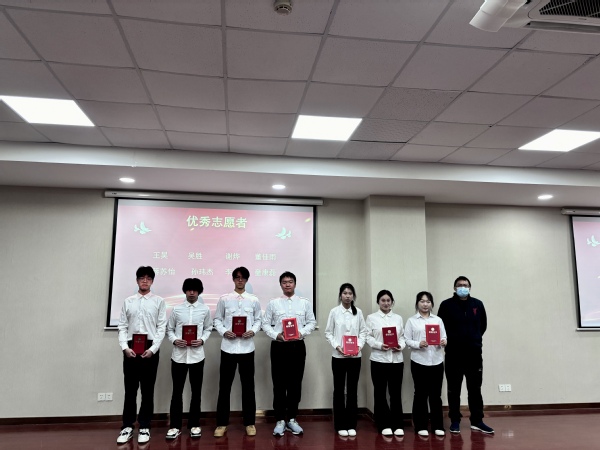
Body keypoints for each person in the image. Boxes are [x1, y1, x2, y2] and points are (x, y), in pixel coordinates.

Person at [262, 271, 317, 437]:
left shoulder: (304, 303)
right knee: (279, 384)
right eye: (284, 282)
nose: (287, 284)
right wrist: (276, 335)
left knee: (295, 384)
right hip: (279, 346)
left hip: (297, 347)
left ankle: (292, 418)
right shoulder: (273, 303)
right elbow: (265, 324)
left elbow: (312, 322)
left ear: (295, 284)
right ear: (281, 285)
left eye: (290, 281)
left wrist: (301, 333)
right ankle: (280, 420)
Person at [117, 266, 166, 444]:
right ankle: (127, 426)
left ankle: (145, 426)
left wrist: (153, 349)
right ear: (137, 280)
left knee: (147, 390)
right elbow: (122, 326)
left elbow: (161, 327)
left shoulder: (159, 301)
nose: (145, 281)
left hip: (150, 348)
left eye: (148, 278)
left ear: (152, 281)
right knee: (130, 390)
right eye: (141, 278)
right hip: (131, 348)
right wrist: (125, 347)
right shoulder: (128, 301)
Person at [437, 276, 493, 434]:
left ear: (470, 287)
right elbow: (440, 327)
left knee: (475, 389)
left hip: (474, 354)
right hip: (453, 354)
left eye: (465, 285)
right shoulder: (446, 305)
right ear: (454, 288)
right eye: (459, 285)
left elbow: (483, 325)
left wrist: (473, 339)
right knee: (453, 390)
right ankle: (455, 421)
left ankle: (477, 421)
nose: (463, 287)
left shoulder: (477, 304)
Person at [213, 267, 262, 437]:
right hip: (228, 348)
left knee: (248, 387)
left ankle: (249, 423)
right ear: (233, 279)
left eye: (243, 278)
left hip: (247, 348)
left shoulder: (253, 300)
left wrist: (253, 331)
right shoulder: (224, 299)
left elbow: (258, 320)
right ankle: (221, 424)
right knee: (224, 387)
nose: (240, 280)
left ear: (247, 280)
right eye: (237, 277)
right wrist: (224, 331)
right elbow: (217, 320)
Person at [165, 278, 212, 440]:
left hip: (197, 356)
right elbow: (170, 329)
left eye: (195, 290)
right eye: (189, 289)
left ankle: (194, 425)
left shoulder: (205, 309)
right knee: (177, 392)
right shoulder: (177, 309)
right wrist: (174, 340)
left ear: (199, 291)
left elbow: (208, 328)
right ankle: (175, 426)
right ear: (185, 291)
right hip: (178, 356)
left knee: (196, 392)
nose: (192, 293)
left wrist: (202, 340)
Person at [325, 283, 368, 437]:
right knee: (339, 390)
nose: (348, 296)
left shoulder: (358, 312)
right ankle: (340, 424)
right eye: (345, 293)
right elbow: (328, 333)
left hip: (355, 357)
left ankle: (351, 423)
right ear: (340, 295)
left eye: (350, 293)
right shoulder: (334, 312)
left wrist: (359, 346)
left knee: (352, 389)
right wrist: (337, 346)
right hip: (339, 357)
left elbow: (363, 332)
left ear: (353, 296)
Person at [404, 291, 447, 437]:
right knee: (420, 394)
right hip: (419, 361)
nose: (425, 304)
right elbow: (406, 340)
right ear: (417, 303)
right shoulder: (411, 321)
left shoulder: (438, 320)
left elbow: (444, 337)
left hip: (436, 361)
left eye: (428, 301)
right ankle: (420, 425)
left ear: (432, 304)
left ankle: (437, 426)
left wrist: (443, 342)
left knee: (436, 395)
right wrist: (418, 344)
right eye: (422, 301)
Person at [365, 290, 406, 437]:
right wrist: (379, 345)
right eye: (383, 300)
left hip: (396, 360)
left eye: (389, 300)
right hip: (379, 360)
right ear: (378, 302)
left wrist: (400, 346)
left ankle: (397, 424)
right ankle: (383, 424)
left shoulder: (398, 318)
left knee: (395, 393)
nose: (386, 303)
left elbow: (402, 337)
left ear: (392, 302)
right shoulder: (371, 318)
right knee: (380, 393)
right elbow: (367, 337)